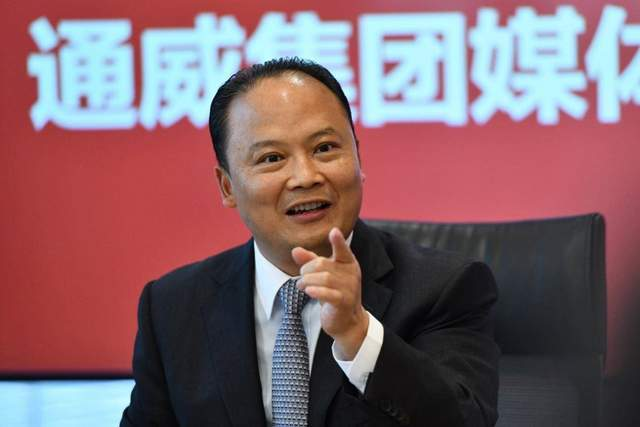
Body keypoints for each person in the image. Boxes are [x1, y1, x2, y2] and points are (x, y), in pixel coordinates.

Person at [120, 57, 499, 427]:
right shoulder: (173, 307)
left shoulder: (443, 288)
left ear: (358, 157)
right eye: (272, 157)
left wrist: (358, 334)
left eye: (324, 148)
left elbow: (465, 420)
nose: (305, 176)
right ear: (227, 186)